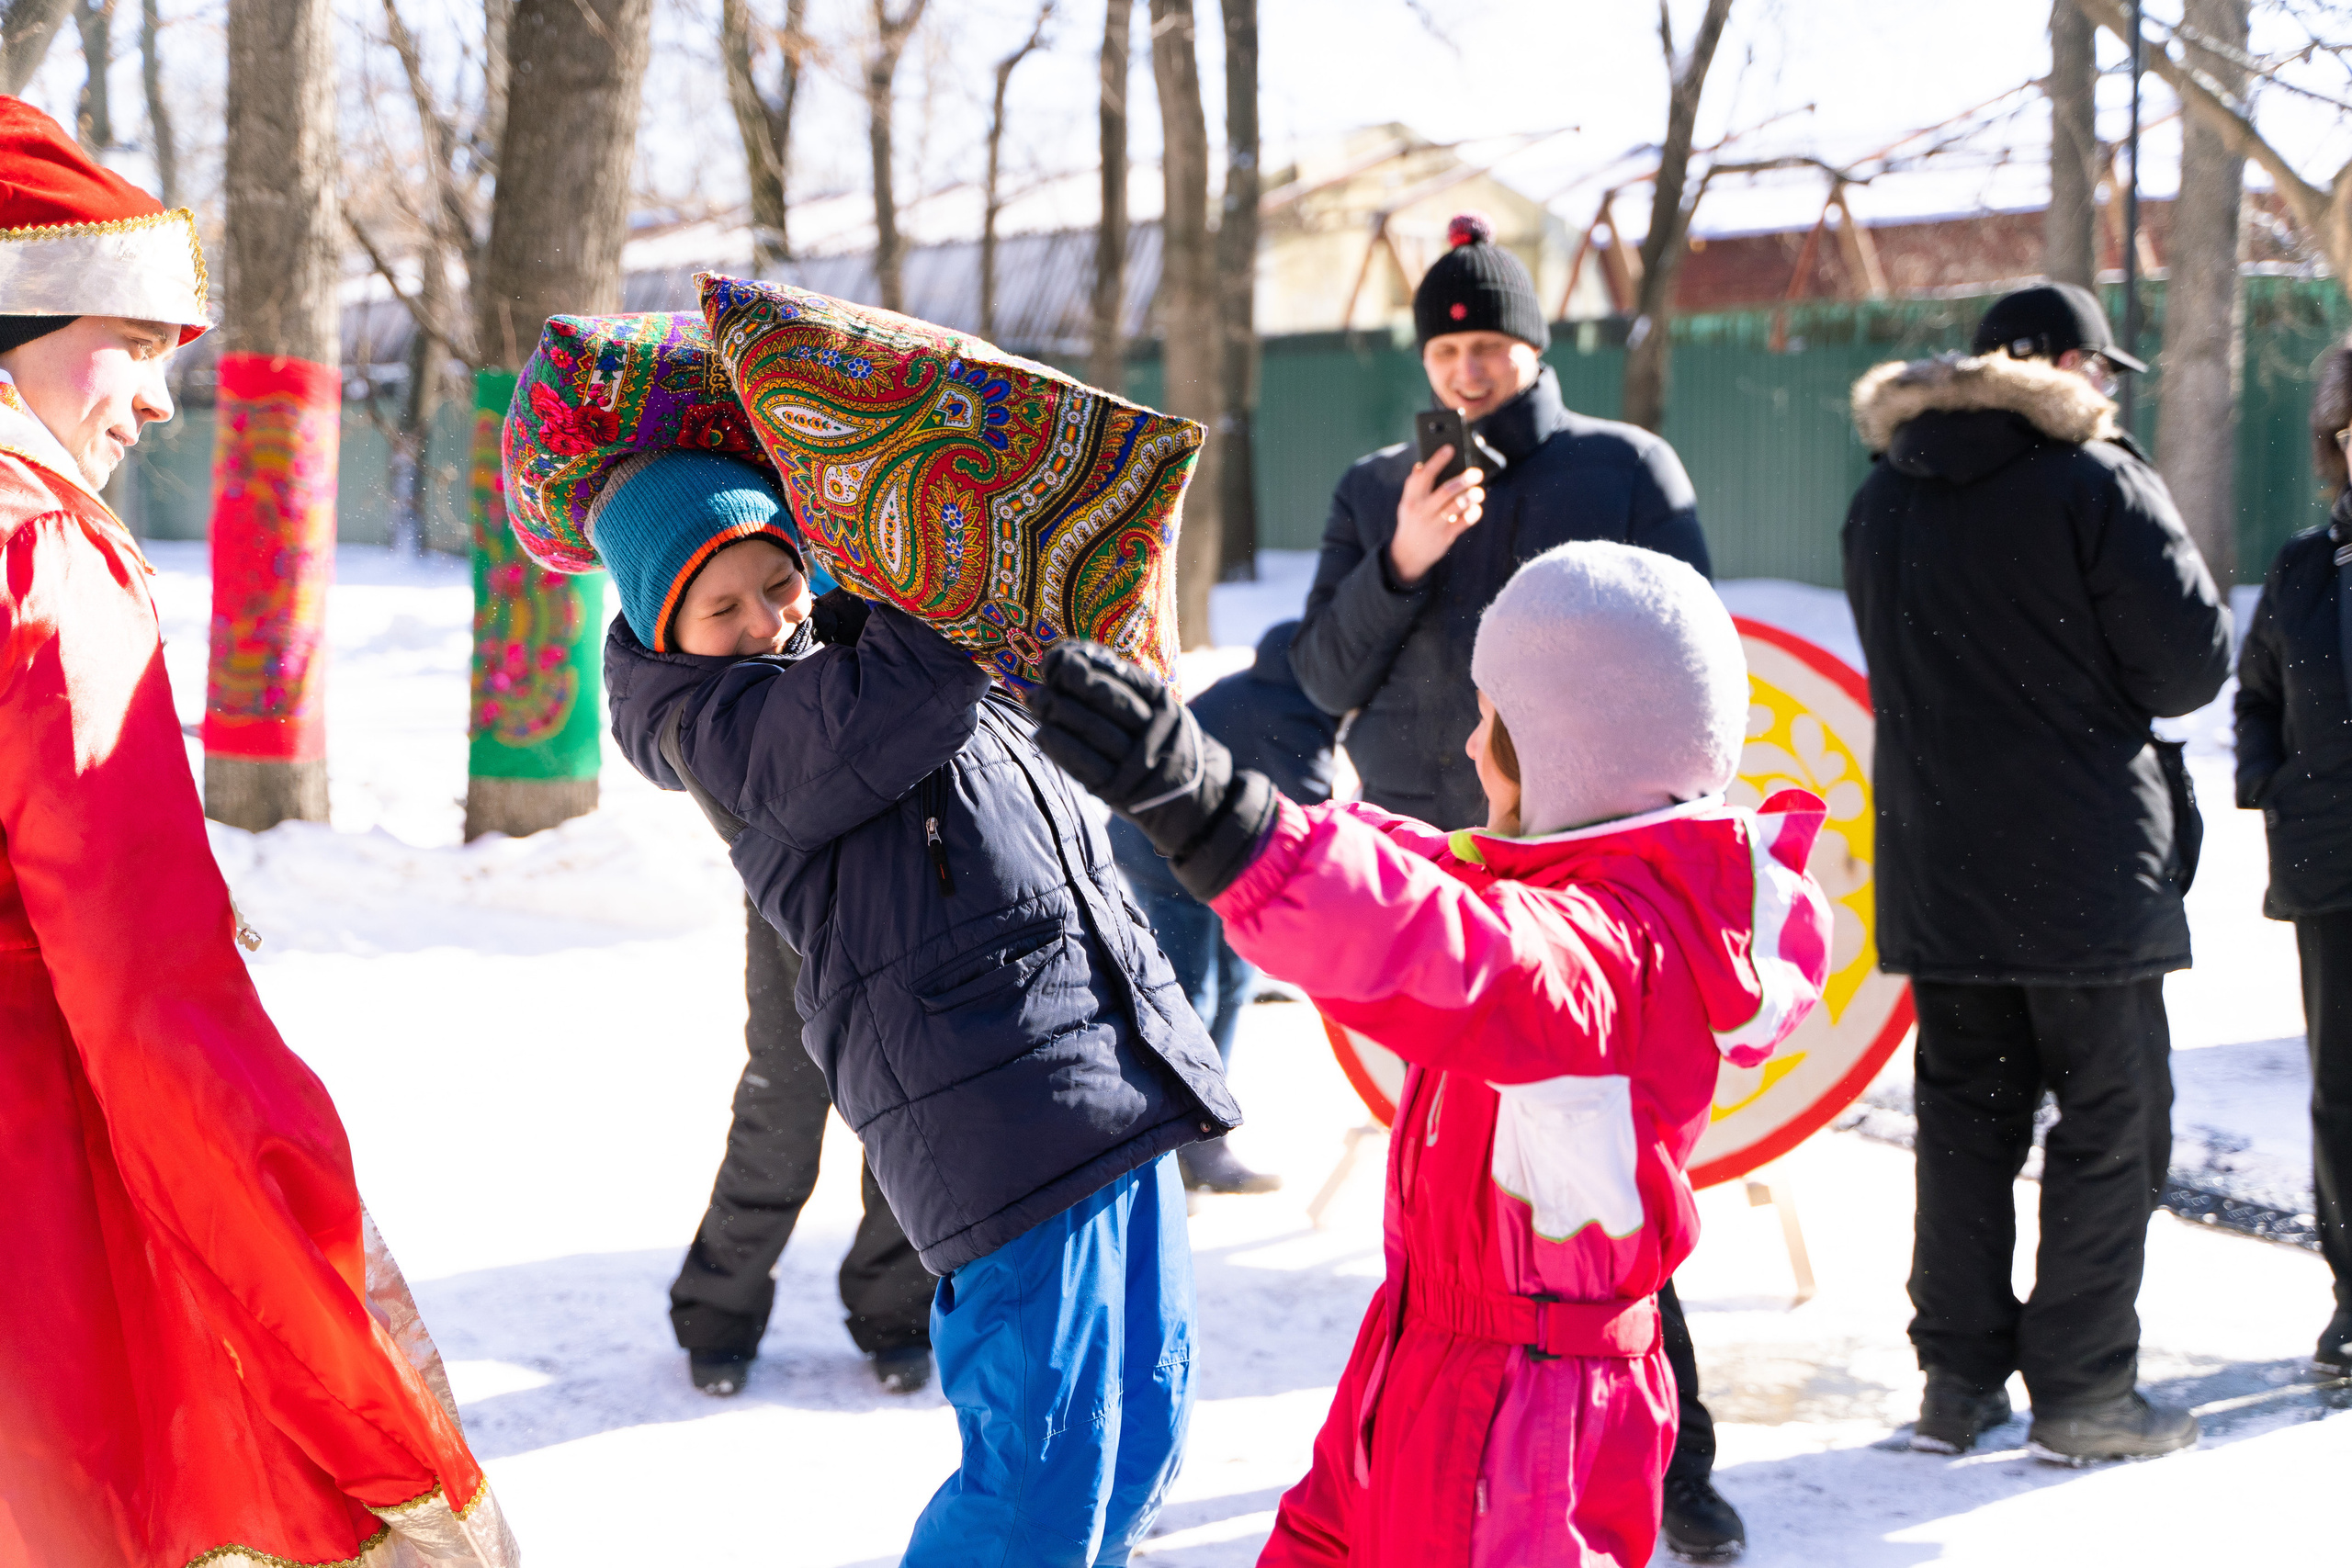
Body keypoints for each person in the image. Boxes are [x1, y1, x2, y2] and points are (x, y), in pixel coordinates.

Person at [1033, 541, 1831, 1568]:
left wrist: (1230, 830)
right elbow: (1412, 867)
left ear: (1565, 748)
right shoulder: (1576, 886)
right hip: (1425, 1356)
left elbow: (1459, 951)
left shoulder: (1617, 952)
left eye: (1489, 720)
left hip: (1523, 1422)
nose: (1465, 748)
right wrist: (1225, 806)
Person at [0, 98, 518, 1564]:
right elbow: (159, 1016)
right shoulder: (36, 553)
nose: (165, 397)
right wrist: (374, 1423)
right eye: (142, 336)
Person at [582, 447, 1237, 1564]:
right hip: (1003, 1111)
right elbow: (923, 666)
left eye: (776, 580)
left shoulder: (848, 644)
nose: (764, 621)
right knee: (1040, 1468)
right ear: (660, 629)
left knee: (1142, 1428)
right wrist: (925, 509)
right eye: (719, 606)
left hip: (1108, 1070)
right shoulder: (724, 731)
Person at [1286, 211, 1742, 1560]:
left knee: (1596, 1205)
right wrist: (1405, 559)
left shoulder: (1620, 466)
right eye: (1447, 346)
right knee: (1460, 1220)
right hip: (1431, 879)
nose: (1468, 370)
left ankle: (1671, 1467)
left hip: (1589, 890)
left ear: (1534, 346)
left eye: (1490, 342)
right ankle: (1404, 1480)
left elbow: (1697, 666)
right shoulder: (1380, 485)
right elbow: (1319, 675)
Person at [1843, 282, 2233, 1461]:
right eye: (2099, 370)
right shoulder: (2094, 480)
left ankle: (1955, 1382)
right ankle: (2083, 1392)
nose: (2108, 391)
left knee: (1966, 1123)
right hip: (2083, 871)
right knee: (2111, 1125)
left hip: (1937, 862)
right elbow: (2186, 669)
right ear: (2066, 366)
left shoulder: (1883, 496)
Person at [1111, 619, 1338, 1195]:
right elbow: (1315, 816)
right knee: (1192, 988)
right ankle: (1170, 1149)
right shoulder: (1288, 709)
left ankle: (1205, 1131)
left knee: (1234, 981)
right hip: (1160, 847)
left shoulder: (1271, 689)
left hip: (1208, 850)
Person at [2233, 333, 2352, 1374]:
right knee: (2344, 1091)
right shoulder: (2305, 569)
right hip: (2331, 869)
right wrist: (2272, 783)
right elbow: (2255, 696)